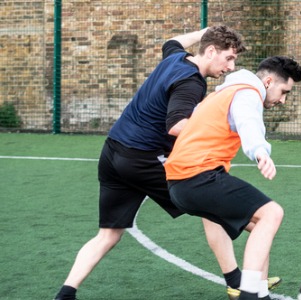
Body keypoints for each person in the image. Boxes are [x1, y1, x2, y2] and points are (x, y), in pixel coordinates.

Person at [53, 26, 274, 300]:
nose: (231, 66)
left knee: (108, 234)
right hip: (144, 158)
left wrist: (205, 31)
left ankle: (65, 294)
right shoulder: (192, 82)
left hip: (112, 152)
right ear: (210, 51)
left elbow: (172, 40)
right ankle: (239, 282)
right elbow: (177, 124)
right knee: (212, 202)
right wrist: (219, 124)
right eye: (228, 58)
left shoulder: (175, 57)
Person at [164, 56, 301, 300]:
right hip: (196, 176)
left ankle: (259, 293)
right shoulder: (247, 93)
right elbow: (248, 122)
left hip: (180, 183)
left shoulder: (223, 92)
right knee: (272, 213)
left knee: (262, 225)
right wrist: (260, 151)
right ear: (269, 81)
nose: (282, 100)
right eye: (284, 91)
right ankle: (249, 294)